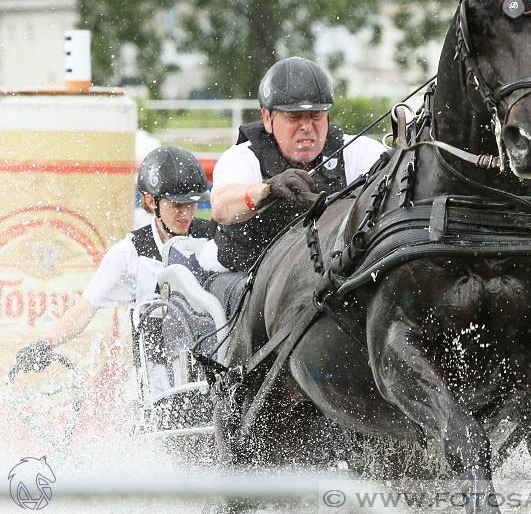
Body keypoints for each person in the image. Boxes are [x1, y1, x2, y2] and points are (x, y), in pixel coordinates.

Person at [14, 146, 215, 373]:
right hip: (159, 384)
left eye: (192, 204)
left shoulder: (212, 240)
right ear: (150, 201)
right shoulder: (129, 253)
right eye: (177, 205)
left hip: (210, 372)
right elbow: (85, 308)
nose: (186, 214)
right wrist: (46, 343)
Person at [200, 56, 385, 272]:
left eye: (316, 115)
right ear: (267, 118)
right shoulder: (242, 156)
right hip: (241, 270)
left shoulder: (359, 151)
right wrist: (267, 189)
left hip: (323, 273)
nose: (307, 126)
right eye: (294, 116)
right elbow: (221, 207)